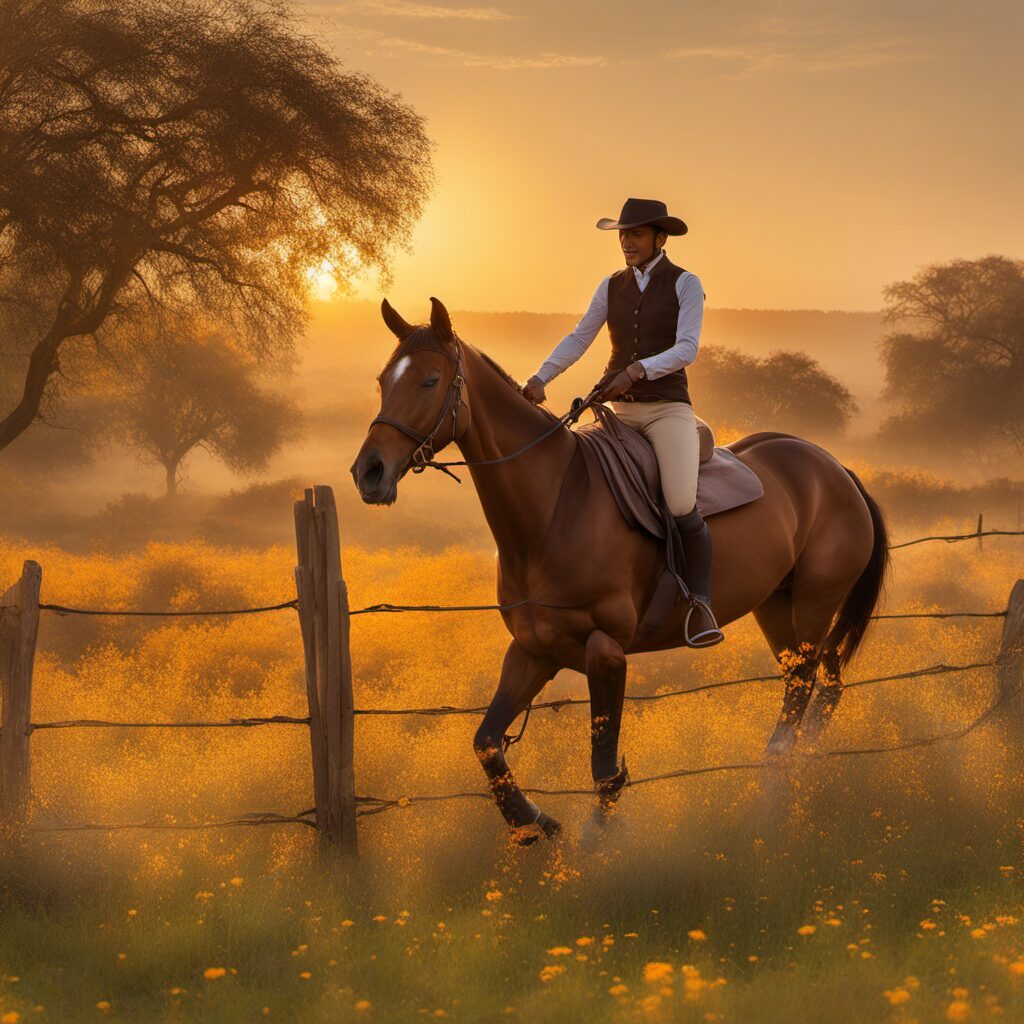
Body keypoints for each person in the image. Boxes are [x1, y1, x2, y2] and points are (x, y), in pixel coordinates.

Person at [523, 197, 723, 645]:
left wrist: (637, 370)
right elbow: (580, 336)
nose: (626, 242)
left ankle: (702, 604)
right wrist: (541, 376)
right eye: (622, 234)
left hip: (666, 411)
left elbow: (687, 348)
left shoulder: (686, 284)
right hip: (617, 413)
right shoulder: (610, 285)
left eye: (635, 234)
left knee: (678, 503)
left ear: (660, 238)